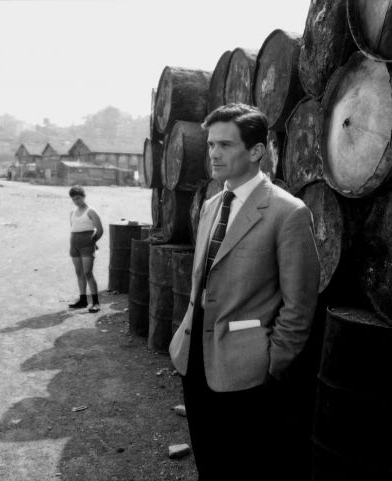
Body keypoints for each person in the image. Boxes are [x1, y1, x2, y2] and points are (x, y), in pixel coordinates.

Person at [169, 103, 321, 481]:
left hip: (248, 368)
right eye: (210, 145)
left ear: (257, 151)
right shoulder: (210, 205)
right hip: (195, 357)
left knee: (245, 465)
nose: (214, 154)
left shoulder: (288, 213)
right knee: (209, 460)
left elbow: (300, 303)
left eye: (225, 145)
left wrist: (273, 359)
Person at [68, 185, 103, 313]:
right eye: (74, 199)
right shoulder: (73, 212)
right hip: (75, 245)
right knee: (79, 272)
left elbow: (100, 230)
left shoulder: (91, 211)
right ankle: (82, 300)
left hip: (87, 245)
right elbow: (73, 229)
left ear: (84, 197)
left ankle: (96, 302)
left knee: (88, 272)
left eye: (79, 198)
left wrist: (92, 242)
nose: (77, 201)